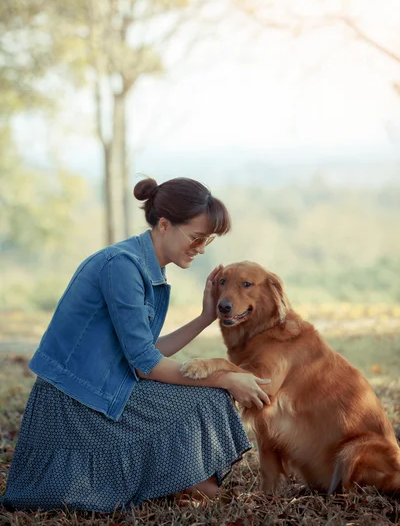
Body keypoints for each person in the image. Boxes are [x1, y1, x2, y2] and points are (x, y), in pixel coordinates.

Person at [1, 177, 270, 512]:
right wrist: (226, 377)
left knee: (209, 394)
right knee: (210, 396)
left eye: (207, 241)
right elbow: (145, 365)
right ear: (165, 225)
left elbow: (143, 351)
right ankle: (193, 488)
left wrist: (205, 317)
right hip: (74, 401)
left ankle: (190, 486)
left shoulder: (142, 265)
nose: (201, 249)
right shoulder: (122, 266)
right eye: (197, 238)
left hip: (106, 385)